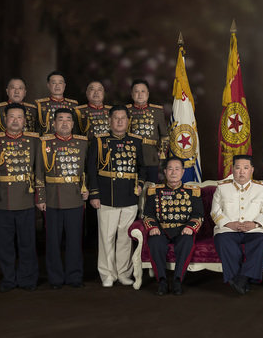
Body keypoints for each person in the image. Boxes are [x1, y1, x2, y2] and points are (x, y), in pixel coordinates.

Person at [0, 103, 44, 292]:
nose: (15, 120)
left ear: (24, 120)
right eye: (12, 117)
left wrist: (40, 197)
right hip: (2, 198)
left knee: (27, 242)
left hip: (26, 197)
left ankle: (28, 279)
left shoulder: (34, 140)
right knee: (5, 244)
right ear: (5, 119)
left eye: (19, 117)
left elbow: (39, 171)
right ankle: (9, 279)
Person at [87, 105, 145, 288]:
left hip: (128, 196)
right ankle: (107, 273)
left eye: (123, 118)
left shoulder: (136, 141)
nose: (119, 121)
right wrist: (94, 194)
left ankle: (123, 273)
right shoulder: (98, 141)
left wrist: (140, 185)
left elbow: (142, 167)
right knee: (106, 237)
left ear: (128, 121)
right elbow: (91, 169)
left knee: (125, 238)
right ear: (109, 121)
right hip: (106, 197)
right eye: (116, 118)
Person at [36, 108, 88, 289]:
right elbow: (39, 172)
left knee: (75, 240)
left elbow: (87, 169)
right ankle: (55, 278)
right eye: (60, 119)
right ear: (54, 123)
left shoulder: (82, 143)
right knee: (53, 240)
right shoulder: (44, 143)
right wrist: (41, 197)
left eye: (68, 120)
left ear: (73, 124)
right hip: (52, 198)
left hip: (74, 196)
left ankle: (75, 276)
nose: (65, 123)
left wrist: (86, 189)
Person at [211, 155, 263, 295]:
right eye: (238, 168)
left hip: (253, 230)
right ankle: (242, 280)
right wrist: (228, 223)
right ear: (233, 169)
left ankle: (242, 278)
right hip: (228, 229)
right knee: (222, 241)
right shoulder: (222, 188)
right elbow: (215, 211)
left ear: (252, 170)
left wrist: (255, 224)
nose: (241, 172)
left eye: (245, 168)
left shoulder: (261, 189)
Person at [143, 157, 204, 295]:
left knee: (187, 242)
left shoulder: (192, 191)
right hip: (161, 230)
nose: (173, 172)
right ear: (165, 171)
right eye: (170, 169)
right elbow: (148, 214)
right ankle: (162, 281)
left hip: (183, 230)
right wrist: (153, 227)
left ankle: (177, 280)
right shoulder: (155, 191)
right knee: (155, 242)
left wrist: (190, 227)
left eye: (177, 169)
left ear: (183, 172)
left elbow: (198, 214)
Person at [127, 79, 169, 182]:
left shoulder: (157, 111)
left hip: (152, 156)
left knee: (151, 189)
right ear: (132, 94)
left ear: (148, 94)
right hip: (132, 156)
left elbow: (164, 135)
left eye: (143, 91)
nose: (140, 94)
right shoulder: (126, 111)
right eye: (136, 91)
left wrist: (162, 152)